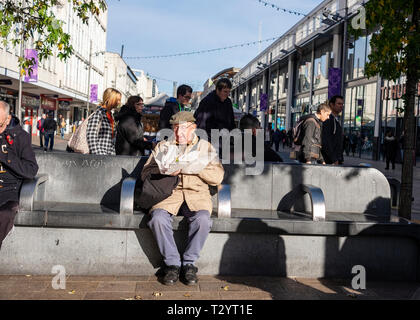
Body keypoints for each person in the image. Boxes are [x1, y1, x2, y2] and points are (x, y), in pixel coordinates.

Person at [142, 111, 224, 286]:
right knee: (157, 219)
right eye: (175, 128)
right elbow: (145, 173)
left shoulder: (205, 147)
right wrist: (162, 169)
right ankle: (172, 264)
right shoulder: (163, 146)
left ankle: (188, 264)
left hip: (196, 195)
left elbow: (217, 177)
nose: (178, 133)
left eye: (183, 129)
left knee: (202, 220)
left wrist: (192, 167)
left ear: (193, 128)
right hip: (168, 195)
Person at [0, 101, 38, 249]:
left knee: (4, 214)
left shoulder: (21, 137)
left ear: (8, 119)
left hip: (9, 192)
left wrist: (5, 156)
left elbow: (31, 170)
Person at [87, 88, 121, 155]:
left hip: (108, 156)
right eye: (118, 100)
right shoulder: (99, 113)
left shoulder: (111, 115)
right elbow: (91, 137)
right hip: (99, 158)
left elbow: (111, 140)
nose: (119, 102)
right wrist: (99, 156)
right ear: (111, 99)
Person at [322, 95, 344, 165]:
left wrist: (340, 158)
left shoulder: (335, 120)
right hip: (329, 161)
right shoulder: (328, 119)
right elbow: (326, 141)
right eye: (339, 104)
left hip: (335, 159)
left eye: (342, 104)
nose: (341, 106)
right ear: (331, 105)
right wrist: (334, 159)